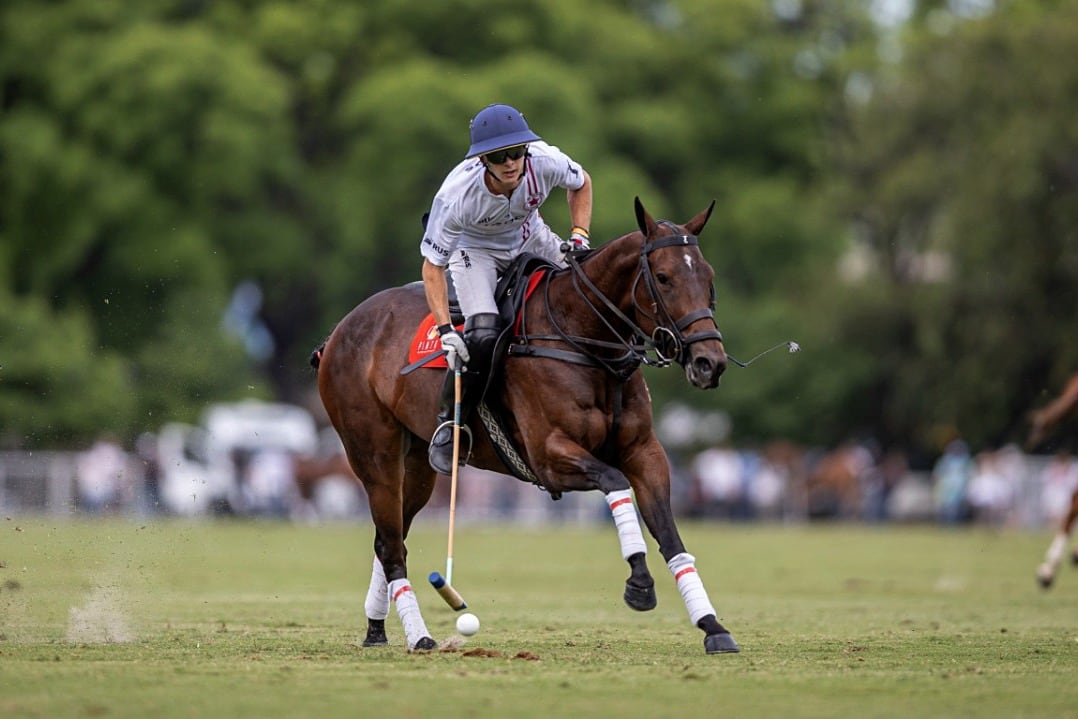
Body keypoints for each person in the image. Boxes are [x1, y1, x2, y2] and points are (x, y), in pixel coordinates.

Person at [420, 103, 593, 474]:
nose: (511, 162)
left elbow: (582, 183)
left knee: (588, 294)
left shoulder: (544, 161)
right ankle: (452, 423)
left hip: (531, 236)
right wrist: (448, 332)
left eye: (516, 152)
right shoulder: (457, 196)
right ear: (483, 160)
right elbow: (432, 266)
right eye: (499, 156)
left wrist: (579, 236)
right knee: (482, 334)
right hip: (474, 251)